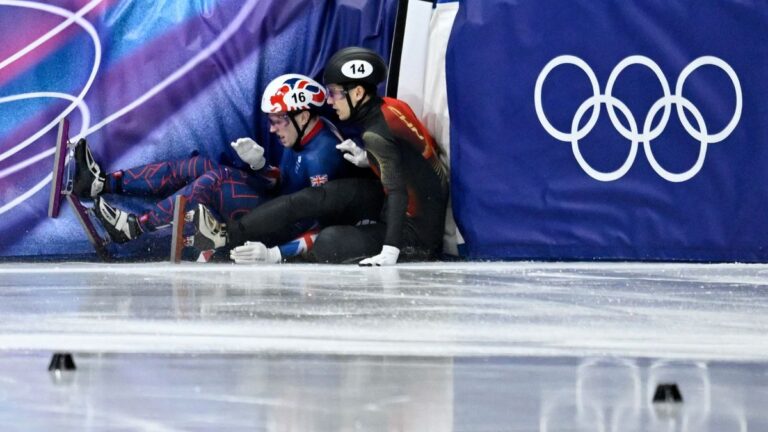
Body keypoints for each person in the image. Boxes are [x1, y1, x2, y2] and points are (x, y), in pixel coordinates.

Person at [201, 47, 448, 266]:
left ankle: (234, 238)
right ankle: (226, 234)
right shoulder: (393, 107)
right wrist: (368, 159)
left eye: (334, 93)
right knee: (316, 197)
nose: (329, 101)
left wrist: (391, 249)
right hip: (407, 208)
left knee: (329, 240)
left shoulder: (375, 134)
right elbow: (420, 159)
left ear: (358, 93)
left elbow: (398, 192)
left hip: (414, 232)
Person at [73, 73, 352, 261]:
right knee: (200, 165)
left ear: (302, 115)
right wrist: (261, 165)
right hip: (279, 205)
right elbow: (287, 185)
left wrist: (276, 254)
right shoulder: (305, 133)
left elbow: (322, 228)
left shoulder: (323, 157)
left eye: (278, 120)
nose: (272, 128)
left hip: (279, 226)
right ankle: (102, 183)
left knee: (217, 180)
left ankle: (133, 228)